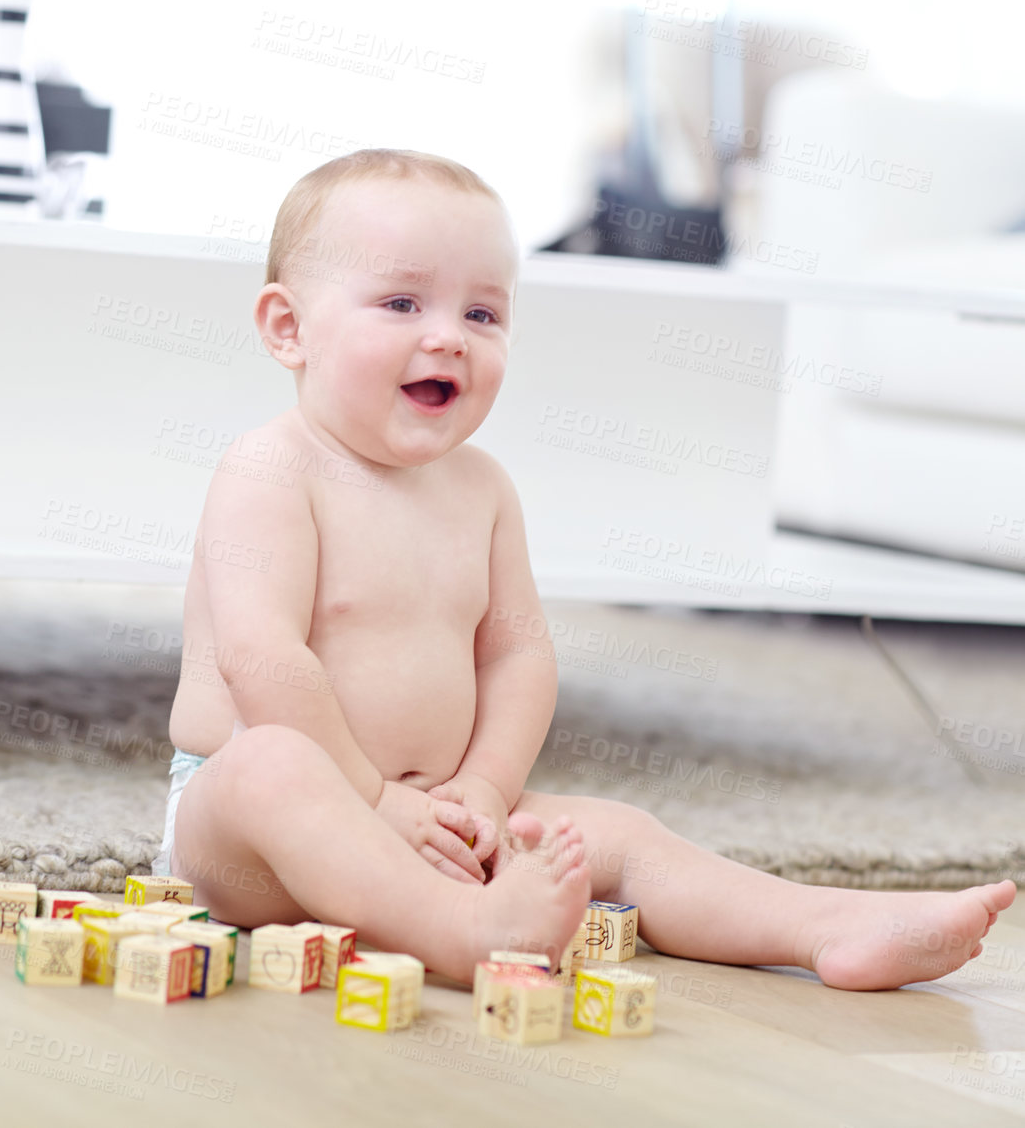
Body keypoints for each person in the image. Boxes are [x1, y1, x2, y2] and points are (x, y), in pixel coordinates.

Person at [154, 148, 1014, 989]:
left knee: (621, 835)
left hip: (442, 821)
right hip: (255, 840)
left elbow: (517, 656)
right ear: (288, 327)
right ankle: (464, 933)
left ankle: (826, 926)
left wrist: (484, 793)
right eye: (403, 302)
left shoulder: (483, 491)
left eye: (483, 315)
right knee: (274, 766)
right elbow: (263, 660)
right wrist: (375, 801)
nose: (448, 338)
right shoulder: (272, 469)